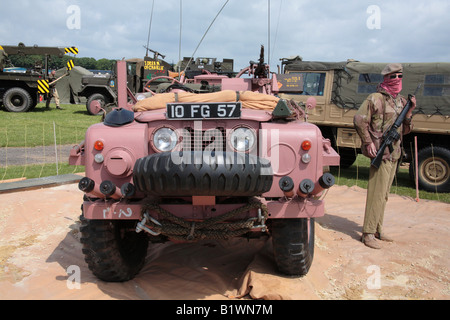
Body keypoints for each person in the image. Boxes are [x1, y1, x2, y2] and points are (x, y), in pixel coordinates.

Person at [353, 63, 416, 249]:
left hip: (394, 153)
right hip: (381, 151)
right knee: (376, 195)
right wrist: (368, 142)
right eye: (393, 77)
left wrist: (410, 111)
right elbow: (359, 119)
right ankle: (368, 233)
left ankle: (378, 229)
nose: (397, 80)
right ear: (385, 79)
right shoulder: (376, 98)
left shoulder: (401, 102)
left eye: (400, 76)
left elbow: (406, 130)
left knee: (384, 195)